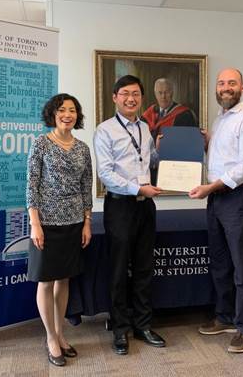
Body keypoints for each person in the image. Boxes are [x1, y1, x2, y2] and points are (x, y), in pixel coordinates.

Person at [189, 68, 243, 354]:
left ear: (242, 87)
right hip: (217, 199)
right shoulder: (220, 119)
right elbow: (222, 158)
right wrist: (207, 144)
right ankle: (225, 317)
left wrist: (210, 187)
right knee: (220, 263)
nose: (226, 87)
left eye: (232, 83)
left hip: (237, 198)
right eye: (221, 83)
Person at [93, 74, 166, 355]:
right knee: (119, 269)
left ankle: (142, 325)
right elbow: (106, 174)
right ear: (115, 97)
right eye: (125, 93)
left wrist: (161, 151)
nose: (130, 99)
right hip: (120, 206)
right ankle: (120, 328)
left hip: (145, 206)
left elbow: (148, 161)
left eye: (135, 93)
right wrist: (137, 188)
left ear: (142, 98)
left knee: (145, 267)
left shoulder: (145, 128)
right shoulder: (105, 130)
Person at [26, 93, 93, 367]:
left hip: (74, 222)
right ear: (53, 114)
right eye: (62, 110)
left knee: (64, 280)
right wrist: (35, 224)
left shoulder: (82, 148)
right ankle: (50, 338)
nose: (67, 114)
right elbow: (32, 185)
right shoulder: (40, 144)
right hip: (46, 223)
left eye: (72, 110)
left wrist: (87, 222)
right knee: (46, 281)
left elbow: (86, 186)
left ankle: (61, 334)